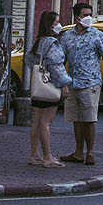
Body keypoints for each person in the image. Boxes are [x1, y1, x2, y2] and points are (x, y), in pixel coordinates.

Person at [59, 2, 103, 165]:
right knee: (76, 119)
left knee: (89, 119)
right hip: (72, 83)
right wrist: (61, 81)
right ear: (77, 17)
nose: (88, 18)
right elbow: (61, 59)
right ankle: (78, 152)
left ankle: (90, 152)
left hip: (90, 83)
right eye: (85, 14)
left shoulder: (97, 35)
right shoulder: (67, 36)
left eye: (90, 14)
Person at [25, 10, 72, 168]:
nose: (59, 24)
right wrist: (64, 85)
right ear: (51, 25)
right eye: (57, 22)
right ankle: (47, 157)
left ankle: (34, 155)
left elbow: (29, 60)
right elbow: (56, 66)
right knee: (46, 122)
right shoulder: (52, 43)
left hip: (38, 87)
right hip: (49, 87)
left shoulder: (38, 41)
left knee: (37, 122)